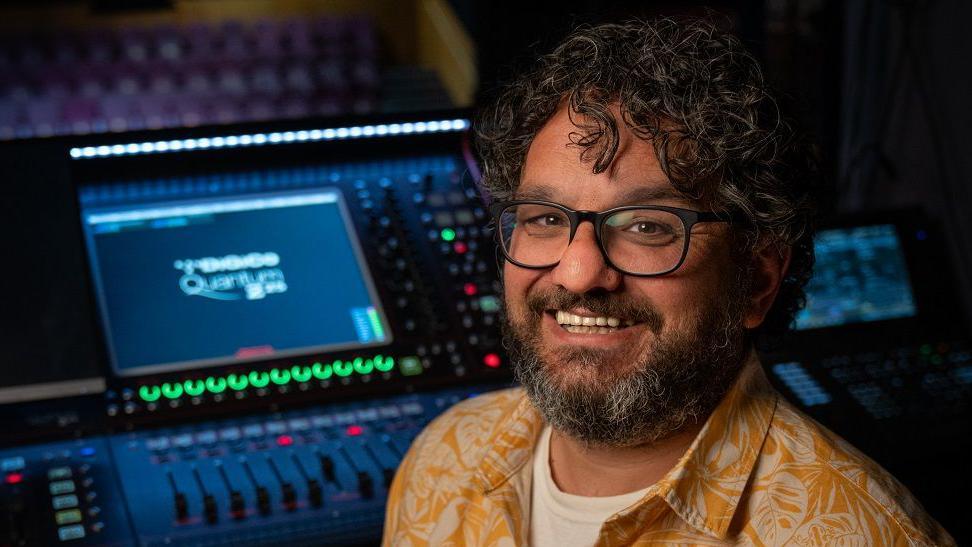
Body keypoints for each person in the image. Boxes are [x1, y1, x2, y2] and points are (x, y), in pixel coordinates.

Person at [383, 17, 954, 546]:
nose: (579, 273)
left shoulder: (864, 533)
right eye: (547, 219)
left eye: (648, 226)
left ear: (755, 281)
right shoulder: (441, 460)